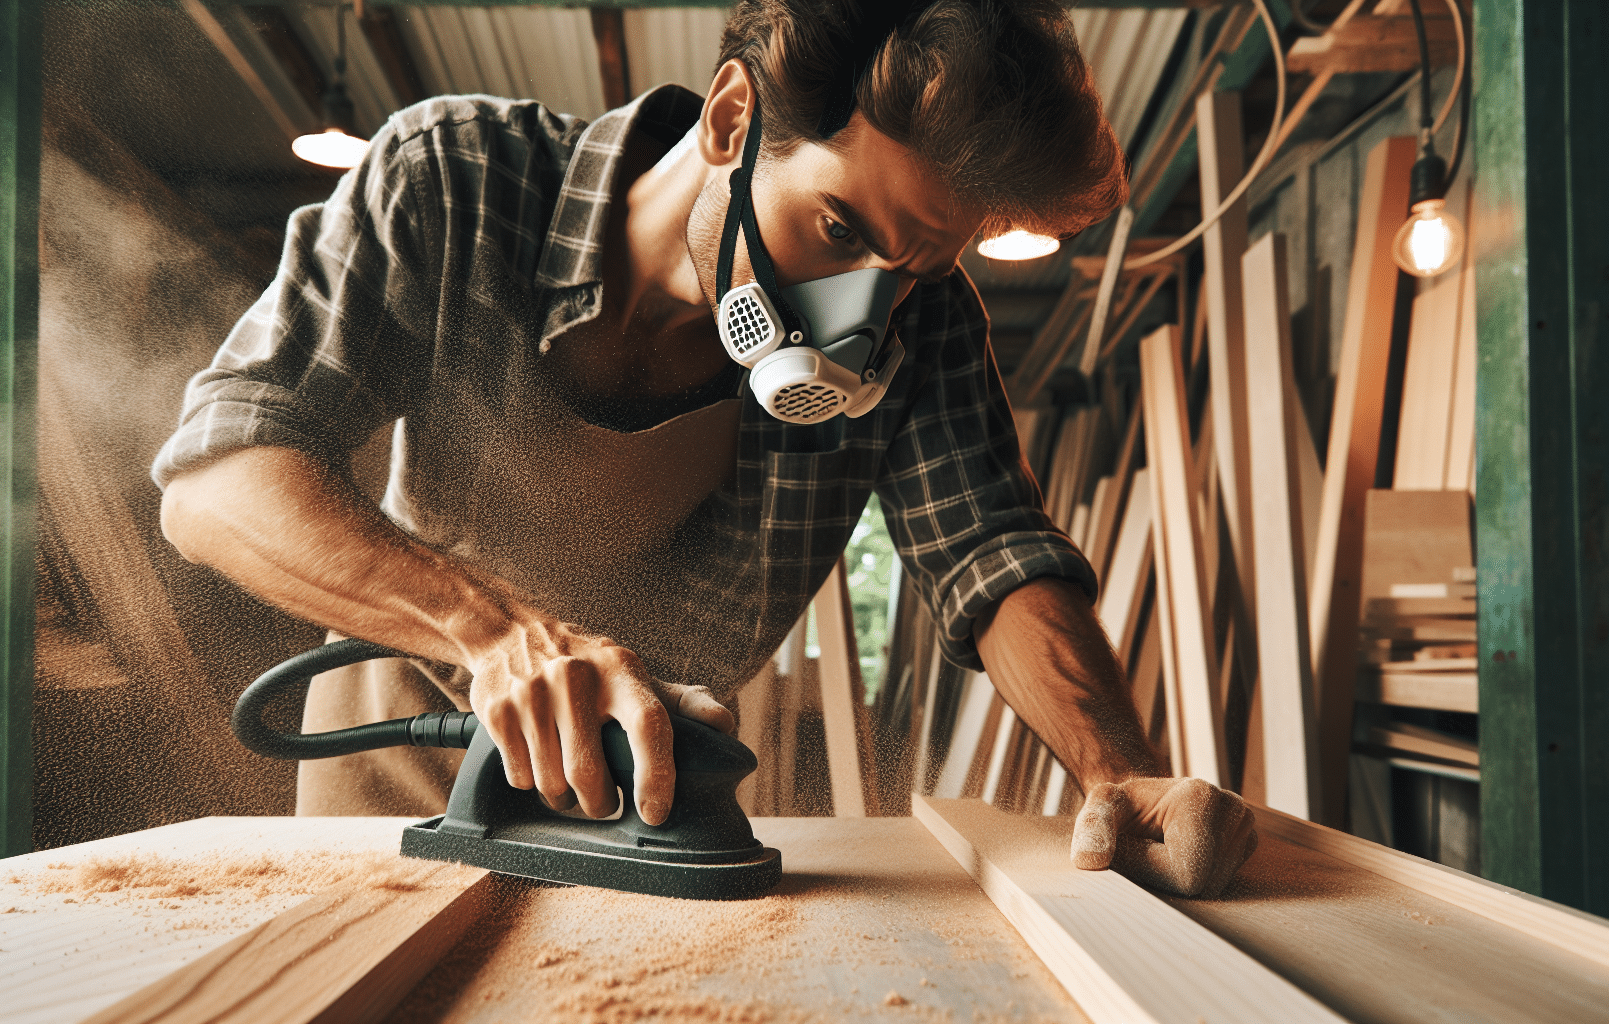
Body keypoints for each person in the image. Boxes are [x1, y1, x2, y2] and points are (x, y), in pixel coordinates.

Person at [157, 0, 1257, 899]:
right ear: (731, 123)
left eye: (908, 271)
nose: (855, 316)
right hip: (390, 814)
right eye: (839, 233)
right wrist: (494, 635)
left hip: (653, 830)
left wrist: (1118, 771)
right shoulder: (456, 180)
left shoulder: (921, 328)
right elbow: (218, 477)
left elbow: (990, 550)